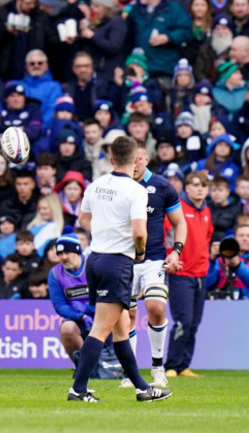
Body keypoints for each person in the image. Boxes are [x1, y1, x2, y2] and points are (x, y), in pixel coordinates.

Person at [68, 135, 172, 402]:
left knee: (121, 329)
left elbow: (82, 219)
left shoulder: (97, 184)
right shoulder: (136, 191)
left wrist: (103, 233)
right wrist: (139, 251)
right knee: (102, 329)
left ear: (112, 159)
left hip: (96, 259)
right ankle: (78, 390)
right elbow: (139, 232)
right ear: (135, 158)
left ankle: (141, 387)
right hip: (117, 262)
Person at [125, 143, 187, 389]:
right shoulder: (118, 186)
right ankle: (129, 373)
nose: (135, 165)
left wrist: (176, 252)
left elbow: (179, 223)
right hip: (124, 260)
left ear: (146, 159)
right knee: (126, 316)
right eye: (131, 160)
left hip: (153, 259)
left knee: (156, 308)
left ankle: (158, 368)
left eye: (139, 160)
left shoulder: (162, 186)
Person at [164, 172, 213, 378]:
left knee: (194, 323)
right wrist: (170, 258)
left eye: (203, 185)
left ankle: (183, 365)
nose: (200, 189)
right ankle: (171, 366)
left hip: (200, 274)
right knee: (183, 320)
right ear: (187, 188)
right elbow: (167, 236)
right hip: (181, 272)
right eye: (195, 185)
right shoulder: (178, 209)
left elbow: (207, 238)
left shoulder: (207, 211)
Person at [48, 232, 94, 366]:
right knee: (67, 328)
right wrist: (80, 316)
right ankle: (85, 368)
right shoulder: (55, 273)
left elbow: (106, 295)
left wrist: (90, 310)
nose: (63, 257)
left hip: (102, 314)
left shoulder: (93, 265)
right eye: (60, 254)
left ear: (78, 251)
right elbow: (59, 305)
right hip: (78, 317)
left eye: (67, 252)